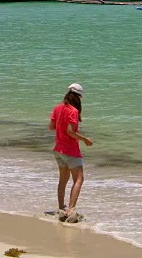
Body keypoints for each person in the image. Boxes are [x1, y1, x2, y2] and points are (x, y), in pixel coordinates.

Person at [49, 83, 93, 222]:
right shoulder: (73, 111)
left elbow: (51, 127)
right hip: (70, 150)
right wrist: (85, 139)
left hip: (58, 149)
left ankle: (62, 206)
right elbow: (70, 132)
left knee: (63, 179)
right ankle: (71, 209)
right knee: (79, 179)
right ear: (78, 97)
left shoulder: (57, 108)